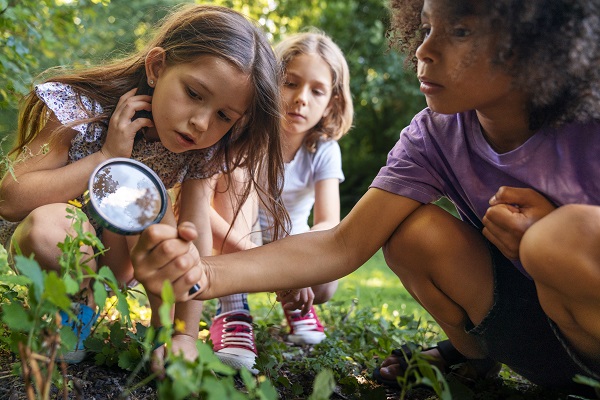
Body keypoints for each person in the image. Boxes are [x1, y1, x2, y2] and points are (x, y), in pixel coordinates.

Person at [131, 0, 600, 396]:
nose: (425, 50)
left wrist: (555, 231)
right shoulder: (434, 135)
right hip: (533, 337)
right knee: (412, 233)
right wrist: (198, 272)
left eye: (459, 32)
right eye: (427, 27)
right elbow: (341, 244)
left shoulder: (588, 127)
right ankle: (474, 361)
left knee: (557, 238)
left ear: (534, 44)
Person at [0, 3, 287, 365]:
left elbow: (192, 238)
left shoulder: (199, 151)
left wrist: (185, 333)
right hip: (50, 242)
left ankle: (165, 334)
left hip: (120, 260)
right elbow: (10, 200)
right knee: (51, 226)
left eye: (223, 116)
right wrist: (105, 158)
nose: (201, 122)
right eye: (194, 94)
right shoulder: (80, 109)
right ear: (156, 68)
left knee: (148, 202)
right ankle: (74, 307)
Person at [206, 31, 353, 373]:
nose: (301, 98)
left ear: (331, 103)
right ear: (271, 82)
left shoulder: (324, 149)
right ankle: (232, 308)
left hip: (290, 243)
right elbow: (203, 214)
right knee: (235, 180)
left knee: (326, 282)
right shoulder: (245, 134)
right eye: (290, 83)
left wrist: (298, 269)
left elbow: (329, 221)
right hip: (235, 239)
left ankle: (296, 304)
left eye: (316, 91)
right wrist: (275, 272)